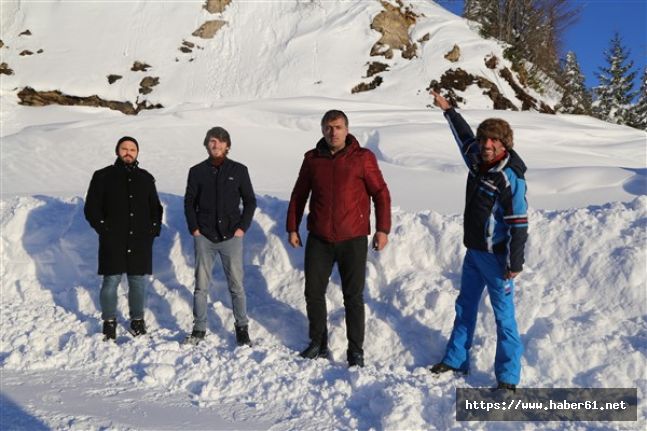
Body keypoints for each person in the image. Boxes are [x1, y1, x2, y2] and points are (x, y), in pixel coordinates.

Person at [429, 90, 528, 391]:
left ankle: (508, 378)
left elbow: (519, 223)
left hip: (498, 260)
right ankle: (457, 359)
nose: (486, 145)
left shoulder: (510, 178)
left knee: (504, 319)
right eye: (484, 139)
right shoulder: (476, 159)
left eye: (493, 141)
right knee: (465, 307)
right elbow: (463, 136)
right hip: (473, 253)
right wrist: (448, 109)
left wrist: (514, 262)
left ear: (504, 144)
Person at [286, 110, 391, 367]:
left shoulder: (363, 158)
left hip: (353, 238)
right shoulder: (312, 160)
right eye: (328, 127)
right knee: (313, 292)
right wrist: (292, 227)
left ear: (347, 129)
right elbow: (299, 194)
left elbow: (380, 192)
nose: (333, 132)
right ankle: (318, 343)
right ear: (322, 129)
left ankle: (355, 351)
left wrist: (383, 229)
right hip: (319, 238)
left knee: (353, 296)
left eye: (338, 127)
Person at [183, 127, 257, 346]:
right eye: (212, 141)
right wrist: (194, 229)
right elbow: (189, 202)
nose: (216, 145)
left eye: (221, 142)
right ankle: (199, 328)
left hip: (231, 237)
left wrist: (242, 228)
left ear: (227, 146)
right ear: (207, 144)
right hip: (204, 236)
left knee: (236, 286)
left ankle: (242, 329)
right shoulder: (197, 171)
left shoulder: (239, 170)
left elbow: (250, 201)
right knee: (201, 286)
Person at [84, 136, 163, 340]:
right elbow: (91, 207)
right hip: (113, 238)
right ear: (117, 151)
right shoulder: (103, 176)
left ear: (137, 153)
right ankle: (109, 321)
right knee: (111, 280)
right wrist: (103, 228)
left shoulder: (146, 178)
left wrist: (153, 230)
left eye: (133, 149)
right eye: (124, 148)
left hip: (140, 239)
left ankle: (137, 320)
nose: (128, 152)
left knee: (137, 281)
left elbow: (156, 207)